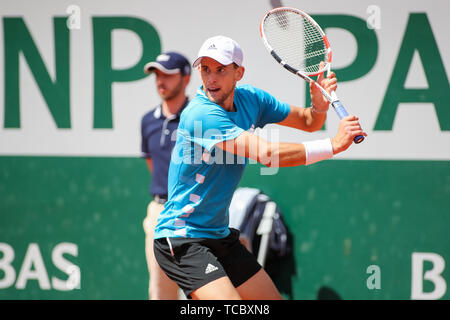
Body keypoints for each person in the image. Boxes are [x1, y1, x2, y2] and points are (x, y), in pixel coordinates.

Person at [153, 36, 367, 300]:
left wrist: (319, 106)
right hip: (183, 238)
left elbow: (309, 122)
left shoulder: (252, 100)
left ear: (238, 73)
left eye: (221, 69)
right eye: (205, 69)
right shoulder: (200, 114)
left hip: (219, 236)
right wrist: (334, 145)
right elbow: (267, 154)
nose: (211, 79)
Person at [141, 51, 191, 300]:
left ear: (186, 78)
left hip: (195, 214)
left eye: (168, 75)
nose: (161, 81)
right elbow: (153, 163)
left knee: (203, 291)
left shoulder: (199, 117)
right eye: (157, 76)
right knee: (160, 291)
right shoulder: (147, 120)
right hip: (160, 213)